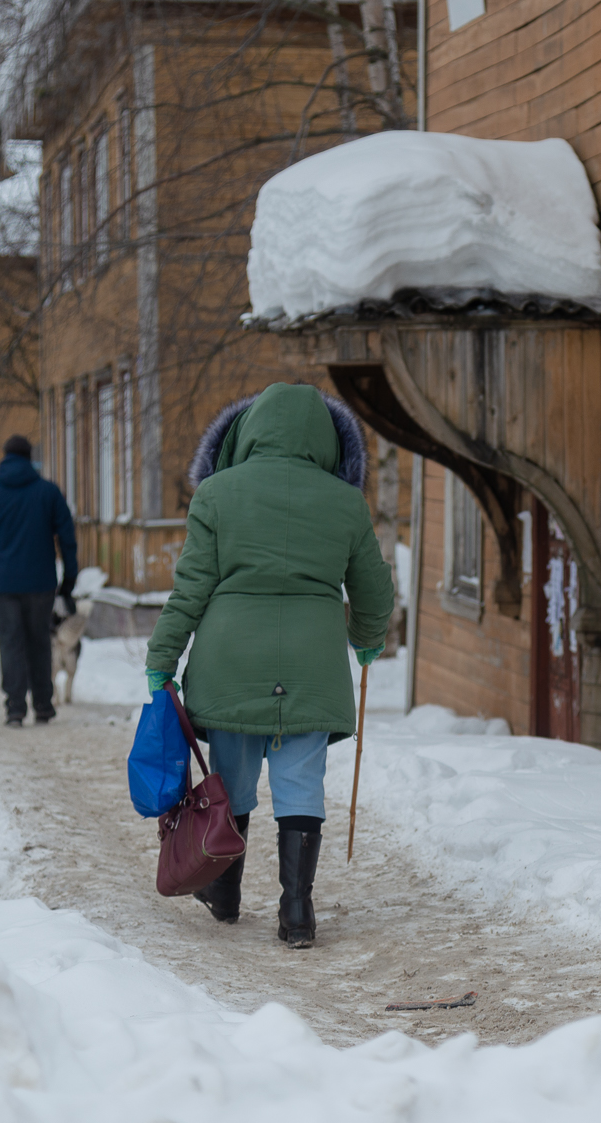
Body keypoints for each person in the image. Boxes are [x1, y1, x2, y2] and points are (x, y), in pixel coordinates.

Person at [144, 383, 392, 947]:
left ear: (248, 431)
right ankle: (298, 911)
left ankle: (224, 893)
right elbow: (374, 590)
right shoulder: (343, 501)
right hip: (313, 666)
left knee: (231, 781)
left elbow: (190, 590)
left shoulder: (216, 495)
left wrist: (162, 659)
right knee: (301, 783)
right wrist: (365, 640)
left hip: (230, 663)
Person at [0, 434, 79, 729]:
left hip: (2, 584)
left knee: (11, 643)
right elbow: (67, 537)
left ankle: (15, 709)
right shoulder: (48, 492)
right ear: (30, 459)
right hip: (40, 582)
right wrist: (69, 578)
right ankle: (43, 706)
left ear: (5, 457)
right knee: (40, 640)